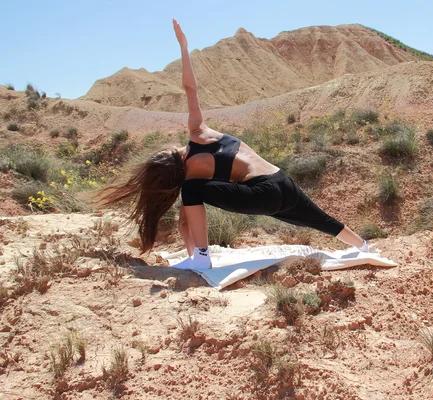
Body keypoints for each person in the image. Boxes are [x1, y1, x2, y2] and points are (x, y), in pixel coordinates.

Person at [99, 19, 369, 270]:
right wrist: (184, 47)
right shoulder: (198, 132)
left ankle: (200, 259)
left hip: (264, 195)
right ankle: (362, 245)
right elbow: (190, 89)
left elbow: (184, 221)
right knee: (319, 219)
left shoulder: (192, 175)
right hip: (280, 181)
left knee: (192, 191)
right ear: (171, 154)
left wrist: (191, 252)